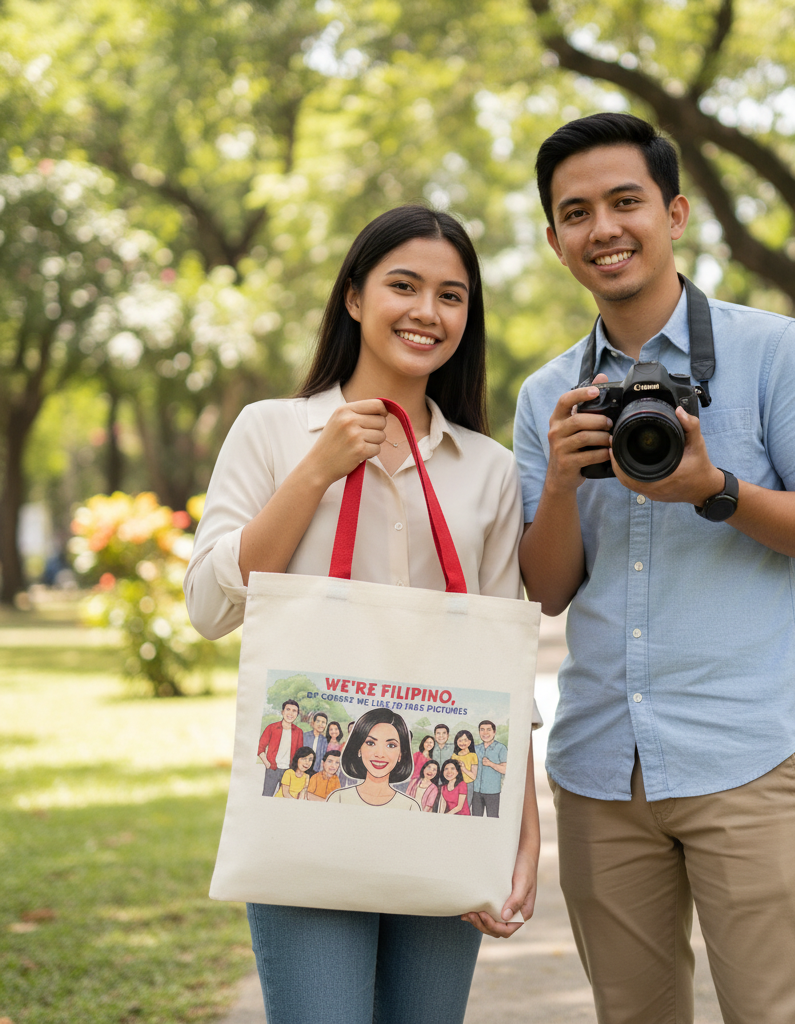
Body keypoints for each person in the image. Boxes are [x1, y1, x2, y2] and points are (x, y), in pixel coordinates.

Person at [514, 113, 795, 1024]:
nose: (605, 229)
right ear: (556, 242)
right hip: (599, 767)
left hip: (745, 752)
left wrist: (716, 489)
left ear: (673, 213)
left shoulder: (774, 351)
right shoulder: (546, 394)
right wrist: (558, 483)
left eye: (625, 202)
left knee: (778, 1014)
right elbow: (546, 588)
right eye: (577, 213)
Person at [184, 204, 541, 1024]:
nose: (428, 312)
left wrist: (520, 833)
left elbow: (500, 669)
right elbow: (208, 607)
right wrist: (316, 472)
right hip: (305, 811)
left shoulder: (486, 469)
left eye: (452, 296)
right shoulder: (273, 431)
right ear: (353, 297)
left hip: (446, 809)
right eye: (404, 286)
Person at [325, 707, 420, 810]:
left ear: (400, 754)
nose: (380, 754)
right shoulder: (339, 799)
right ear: (359, 749)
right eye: (370, 743)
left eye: (391, 745)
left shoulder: (410, 807)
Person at [256, 699, 304, 797]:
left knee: (284, 798)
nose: (291, 713)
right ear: (283, 712)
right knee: (267, 795)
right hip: (272, 769)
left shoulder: (298, 732)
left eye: (294, 711)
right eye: (288, 709)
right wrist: (267, 763)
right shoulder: (271, 728)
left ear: (297, 714)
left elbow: (300, 753)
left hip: (289, 771)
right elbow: (260, 747)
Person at [473, 720, 507, 817]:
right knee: (475, 819)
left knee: (492, 818)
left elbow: (505, 770)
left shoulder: (501, 748)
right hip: (476, 791)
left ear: (494, 732)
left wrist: (491, 764)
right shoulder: (476, 748)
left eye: (488, 729)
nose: (485, 733)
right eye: (482, 730)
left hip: (492, 792)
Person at [451, 729, 478, 807]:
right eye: (460, 740)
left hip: (468, 785)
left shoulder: (473, 755)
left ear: (470, 742)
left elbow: (473, 776)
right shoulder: (454, 756)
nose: (462, 743)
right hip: (456, 785)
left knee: (466, 806)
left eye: (465, 740)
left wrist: (463, 768)